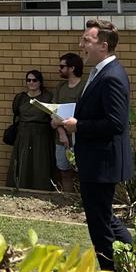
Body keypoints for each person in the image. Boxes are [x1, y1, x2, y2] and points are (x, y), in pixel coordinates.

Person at [57, 19, 135, 272]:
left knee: (99, 221)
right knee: (102, 216)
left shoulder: (112, 76)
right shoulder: (99, 72)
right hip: (94, 160)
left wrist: (78, 125)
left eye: (86, 41)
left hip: (103, 162)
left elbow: (116, 123)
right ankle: (135, 261)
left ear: (103, 45)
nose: (81, 45)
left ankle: (112, 271)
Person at [6, 69, 55, 191]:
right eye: (29, 80)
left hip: (41, 134)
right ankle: (21, 188)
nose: (31, 82)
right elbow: (16, 114)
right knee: (23, 161)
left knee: (39, 161)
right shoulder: (20, 98)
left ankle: (41, 189)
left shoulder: (48, 97)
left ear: (40, 82)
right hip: (24, 133)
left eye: (34, 80)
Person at [53, 52, 86, 193]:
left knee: (83, 173)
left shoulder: (85, 86)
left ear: (72, 68)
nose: (59, 69)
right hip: (61, 140)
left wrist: (58, 123)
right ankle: (67, 199)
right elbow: (53, 112)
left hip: (80, 138)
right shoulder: (60, 87)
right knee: (65, 172)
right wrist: (61, 132)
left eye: (62, 66)